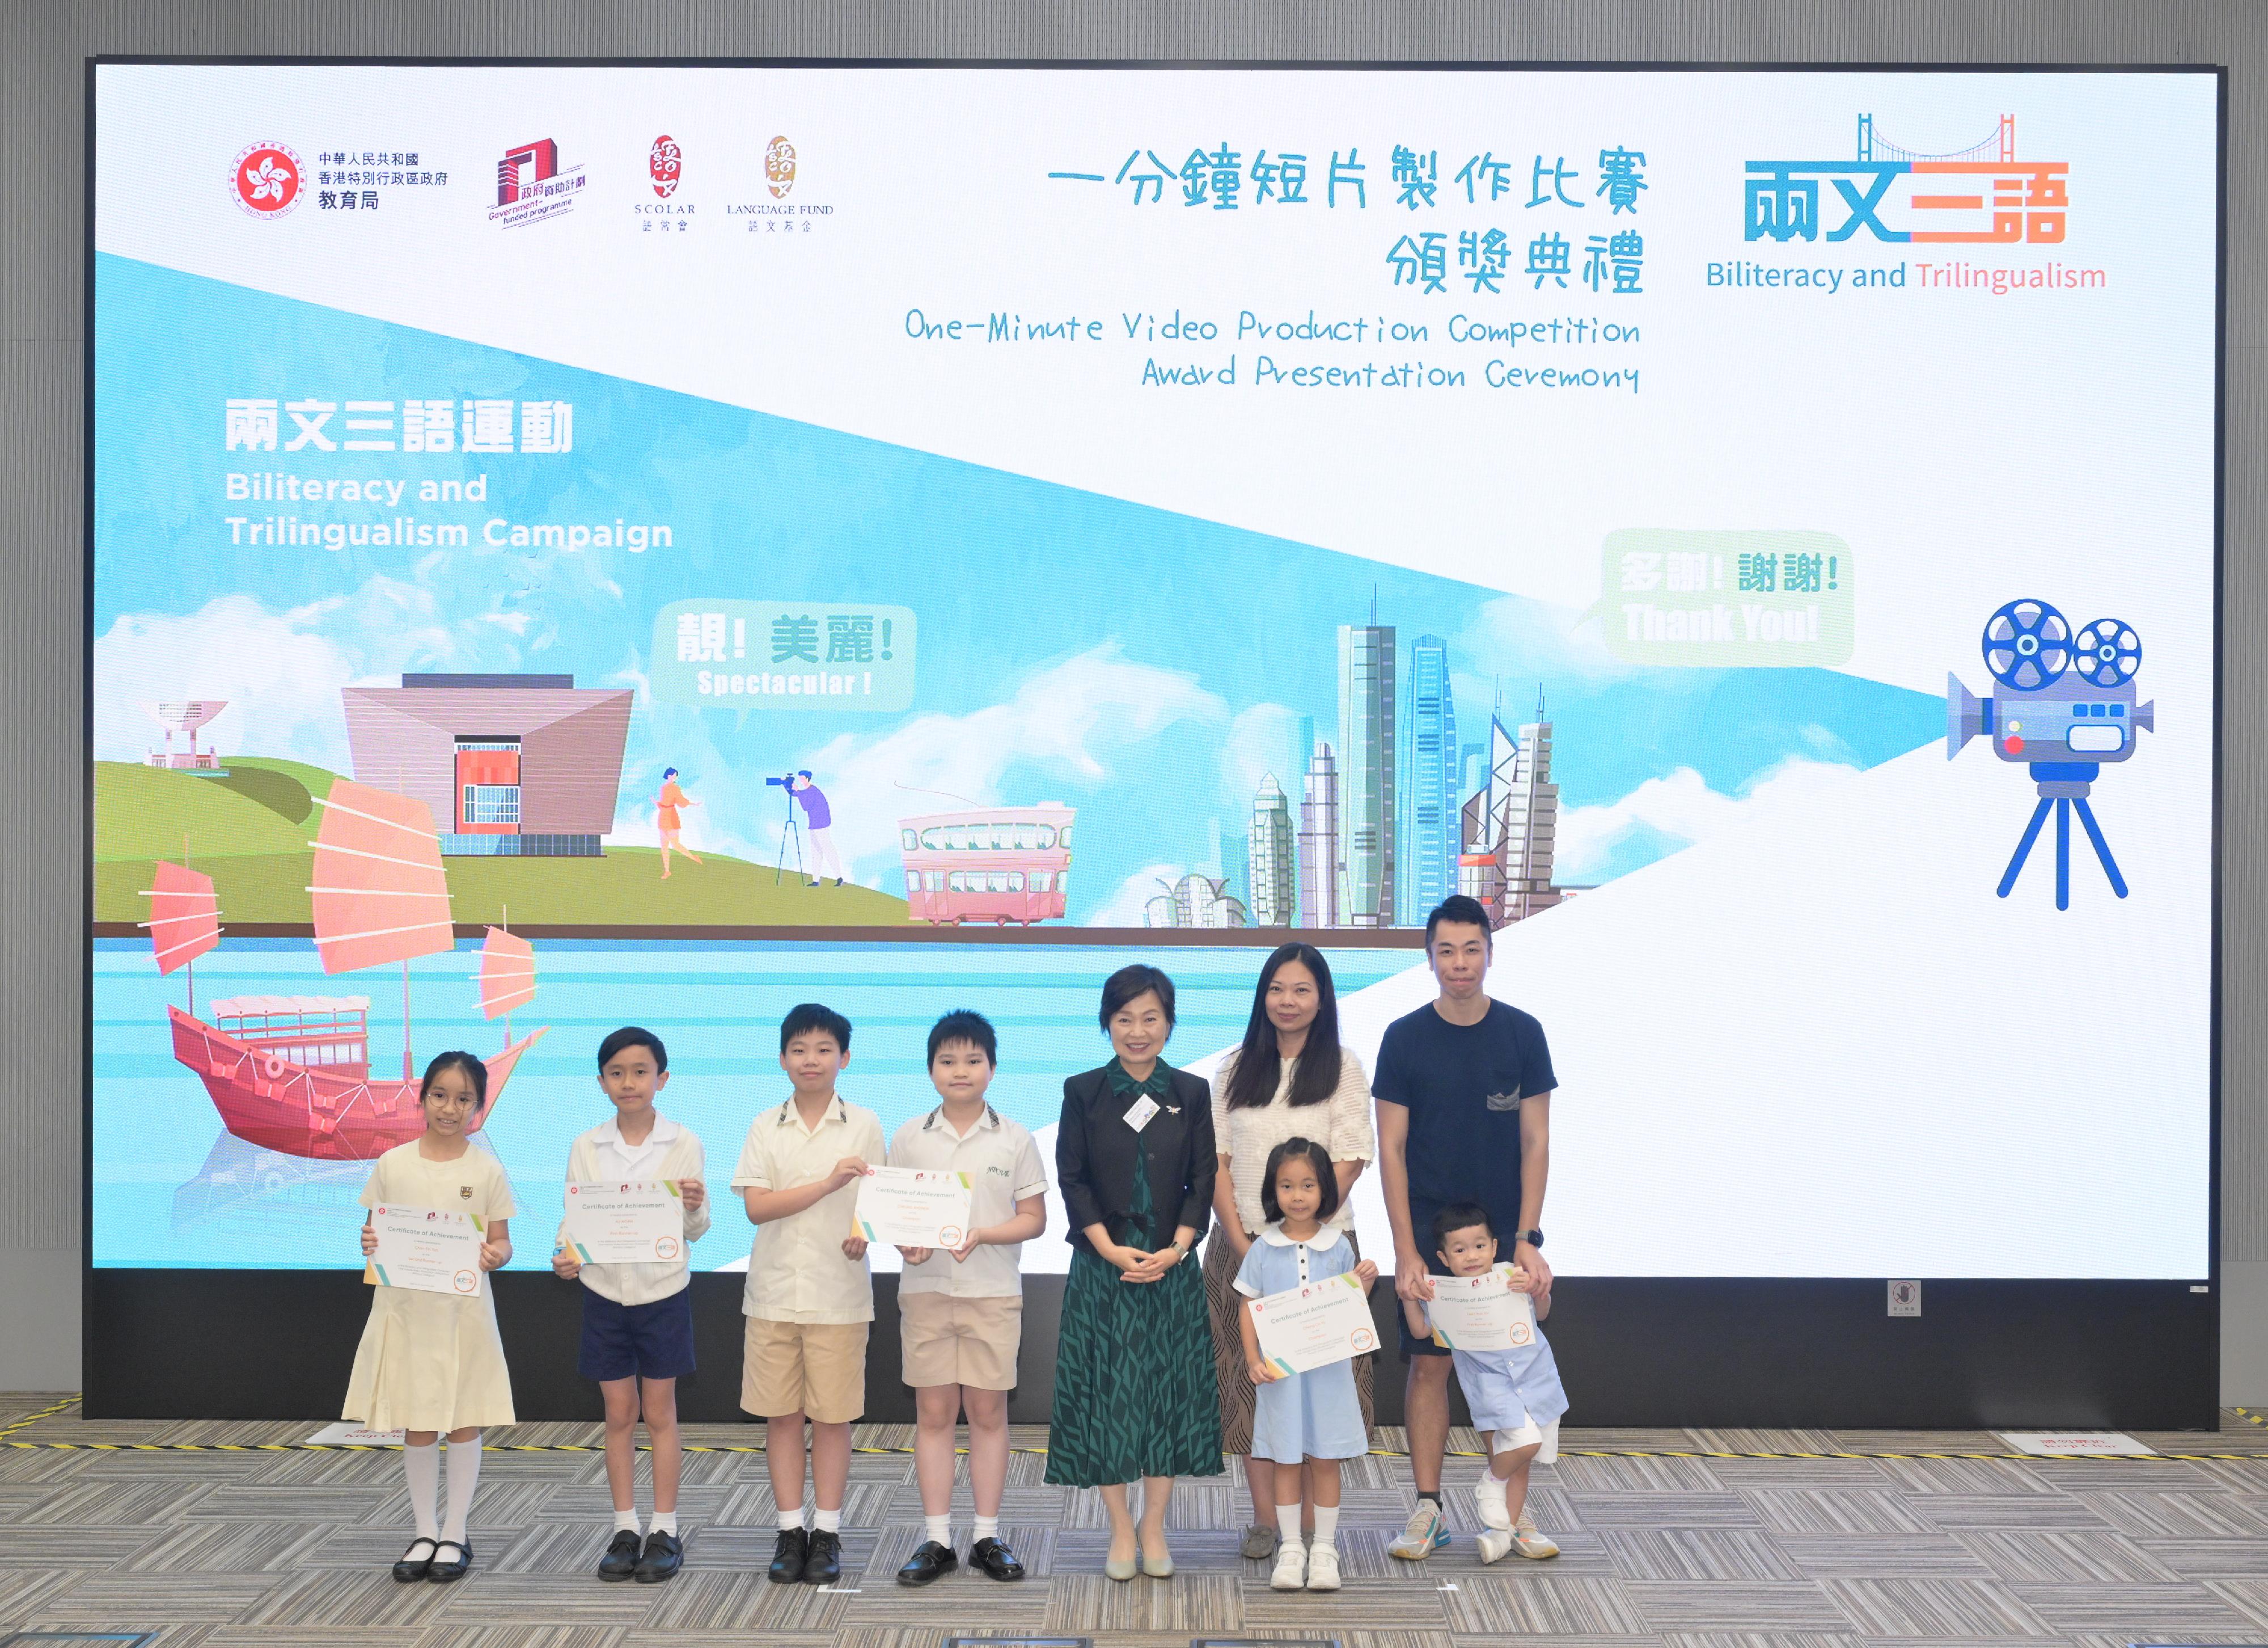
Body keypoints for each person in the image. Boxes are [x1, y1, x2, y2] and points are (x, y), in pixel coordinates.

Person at [1376, 893, 1559, 1562]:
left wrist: (1525, 1240)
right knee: (1431, 1365)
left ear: (1489, 952)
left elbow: (1536, 1140)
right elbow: (1390, 1149)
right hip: (1428, 1231)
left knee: (1507, 1367)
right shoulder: (1402, 1039)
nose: (1459, 963)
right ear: (1429, 959)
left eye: (1471, 949)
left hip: (1503, 1232)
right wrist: (1405, 1252)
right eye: (1446, 951)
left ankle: (1511, 1513)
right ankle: (1429, 1510)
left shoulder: (1521, 1033)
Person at [1047, 963, 1222, 1580]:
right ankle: (1120, 1529)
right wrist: (1108, 1247)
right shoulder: (1083, 1092)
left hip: (1170, 1265)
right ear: (1107, 1024)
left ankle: (1155, 1524)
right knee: (1109, 1397)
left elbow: (1203, 1180)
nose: (1138, 1031)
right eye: (1125, 1019)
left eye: (1150, 1018)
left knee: (1164, 1398)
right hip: (1105, 1267)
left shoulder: (1193, 1092)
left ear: (1169, 1023)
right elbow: (1072, 1179)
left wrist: (1177, 1248)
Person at [1205, 942, 1377, 1561]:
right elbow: (1217, 1162)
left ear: (1322, 997)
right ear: (1263, 996)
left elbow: (1352, 1156)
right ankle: (1264, 1522)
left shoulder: (1345, 1066)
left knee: (1323, 1381)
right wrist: (1239, 1236)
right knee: (1252, 1379)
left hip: (1323, 1246)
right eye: (1277, 988)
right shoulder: (1231, 1068)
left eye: (1301, 989)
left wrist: (1303, 1225)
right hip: (1240, 1248)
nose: (1288, 1000)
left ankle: (1312, 1532)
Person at [886, 1010, 1049, 1587]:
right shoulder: (908, 1137)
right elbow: (895, 1215)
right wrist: (907, 1244)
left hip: (991, 1292)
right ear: (931, 1070)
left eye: (973, 1060)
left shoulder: (1014, 1137)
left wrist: (982, 1233)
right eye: (948, 1060)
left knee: (987, 1414)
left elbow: (1034, 1219)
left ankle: (985, 1536)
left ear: (993, 1068)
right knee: (932, 1416)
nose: (961, 1071)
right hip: (927, 1293)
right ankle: (936, 1540)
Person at [342, 1051, 514, 1586]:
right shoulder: (393, 1163)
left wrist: (494, 1256)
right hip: (408, 1311)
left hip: (462, 1312)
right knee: (417, 1421)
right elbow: (372, 1235)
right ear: (422, 1098)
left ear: (478, 1108)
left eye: (463, 1098)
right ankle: (423, 1530)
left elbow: (503, 1243)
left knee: (463, 1417)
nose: (450, 1107)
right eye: (440, 1094)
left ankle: (456, 1532)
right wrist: (370, 1241)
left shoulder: (486, 1169)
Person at [730, 1003, 885, 1587]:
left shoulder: (865, 1125)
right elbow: (756, 1207)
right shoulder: (764, 1125)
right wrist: (826, 1185)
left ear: (844, 1058)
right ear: (782, 1059)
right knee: (782, 1417)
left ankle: (827, 1531)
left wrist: (861, 1237)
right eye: (800, 1050)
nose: (811, 1060)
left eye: (824, 1050)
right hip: (771, 1295)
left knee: (834, 1419)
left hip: (839, 1296)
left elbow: (877, 1209)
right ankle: (789, 1530)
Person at [552, 1027, 710, 1584]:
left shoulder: (683, 1142)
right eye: (617, 1072)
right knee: (618, 1415)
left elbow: (696, 1227)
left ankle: (665, 1528)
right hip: (603, 1297)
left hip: (663, 1294)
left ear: (661, 1079)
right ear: (601, 1082)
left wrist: (692, 1206)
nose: (629, 1082)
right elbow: (574, 1222)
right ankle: (624, 1527)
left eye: (641, 1071)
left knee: (660, 1413)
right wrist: (563, 1256)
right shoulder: (585, 1146)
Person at [1233, 1138, 1379, 1593]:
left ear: (1325, 1190)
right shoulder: (1263, 1248)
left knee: (1326, 1456)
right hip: (1281, 1378)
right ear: (1272, 1191)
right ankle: (1292, 1545)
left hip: (1328, 1376)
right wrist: (1254, 1358)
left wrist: (1363, 1286)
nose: (1298, 1195)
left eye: (1308, 1185)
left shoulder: (1338, 1245)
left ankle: (1325, 1547)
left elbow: (1348, 1310)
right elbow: (1247, 1306)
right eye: (1287, 1185)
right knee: (1286, 1458)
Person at [1403, 1203, 1565, 1563]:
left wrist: (1539, 1291)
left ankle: (1502, 1535)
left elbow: (1541, 1315)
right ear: (1445, 1258)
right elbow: (1421, 1332)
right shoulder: (1443, 1294)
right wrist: (1409, 1301)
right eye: (1460, 1250)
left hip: (1536, 1382)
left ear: (1494, 1247)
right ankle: (1490, 1481)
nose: (1472, 1256)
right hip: (1490, 1389)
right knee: (1525, 1444)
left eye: (1479, 1246)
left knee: (1523, 1462)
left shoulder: (1511, 1274)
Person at [789, 771, 843, 887]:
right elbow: (797, 795)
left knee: (827, 849)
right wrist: (788, 786)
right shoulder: (809, 791)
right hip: (814, 824)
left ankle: (839, 877)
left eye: (803, 779)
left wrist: (797, 791)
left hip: (821, 824)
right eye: (800, 779)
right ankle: (816, 880)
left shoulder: (813, 791)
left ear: (808, 779)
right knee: (816, 852)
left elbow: (805, 806)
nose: (801, 781)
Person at [656, 767, 700, 878]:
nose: (673, 778)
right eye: (672, 776)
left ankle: (693, 857)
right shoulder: (663, 788)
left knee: (675, 844)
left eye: (675, 776)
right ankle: (667, 871)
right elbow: (663, 803)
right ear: (668, 776)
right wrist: (656, 803)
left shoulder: (676, 788)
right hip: (663, 816)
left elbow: (681, 801)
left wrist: (693, 804)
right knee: (664, 846)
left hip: (671, 816)